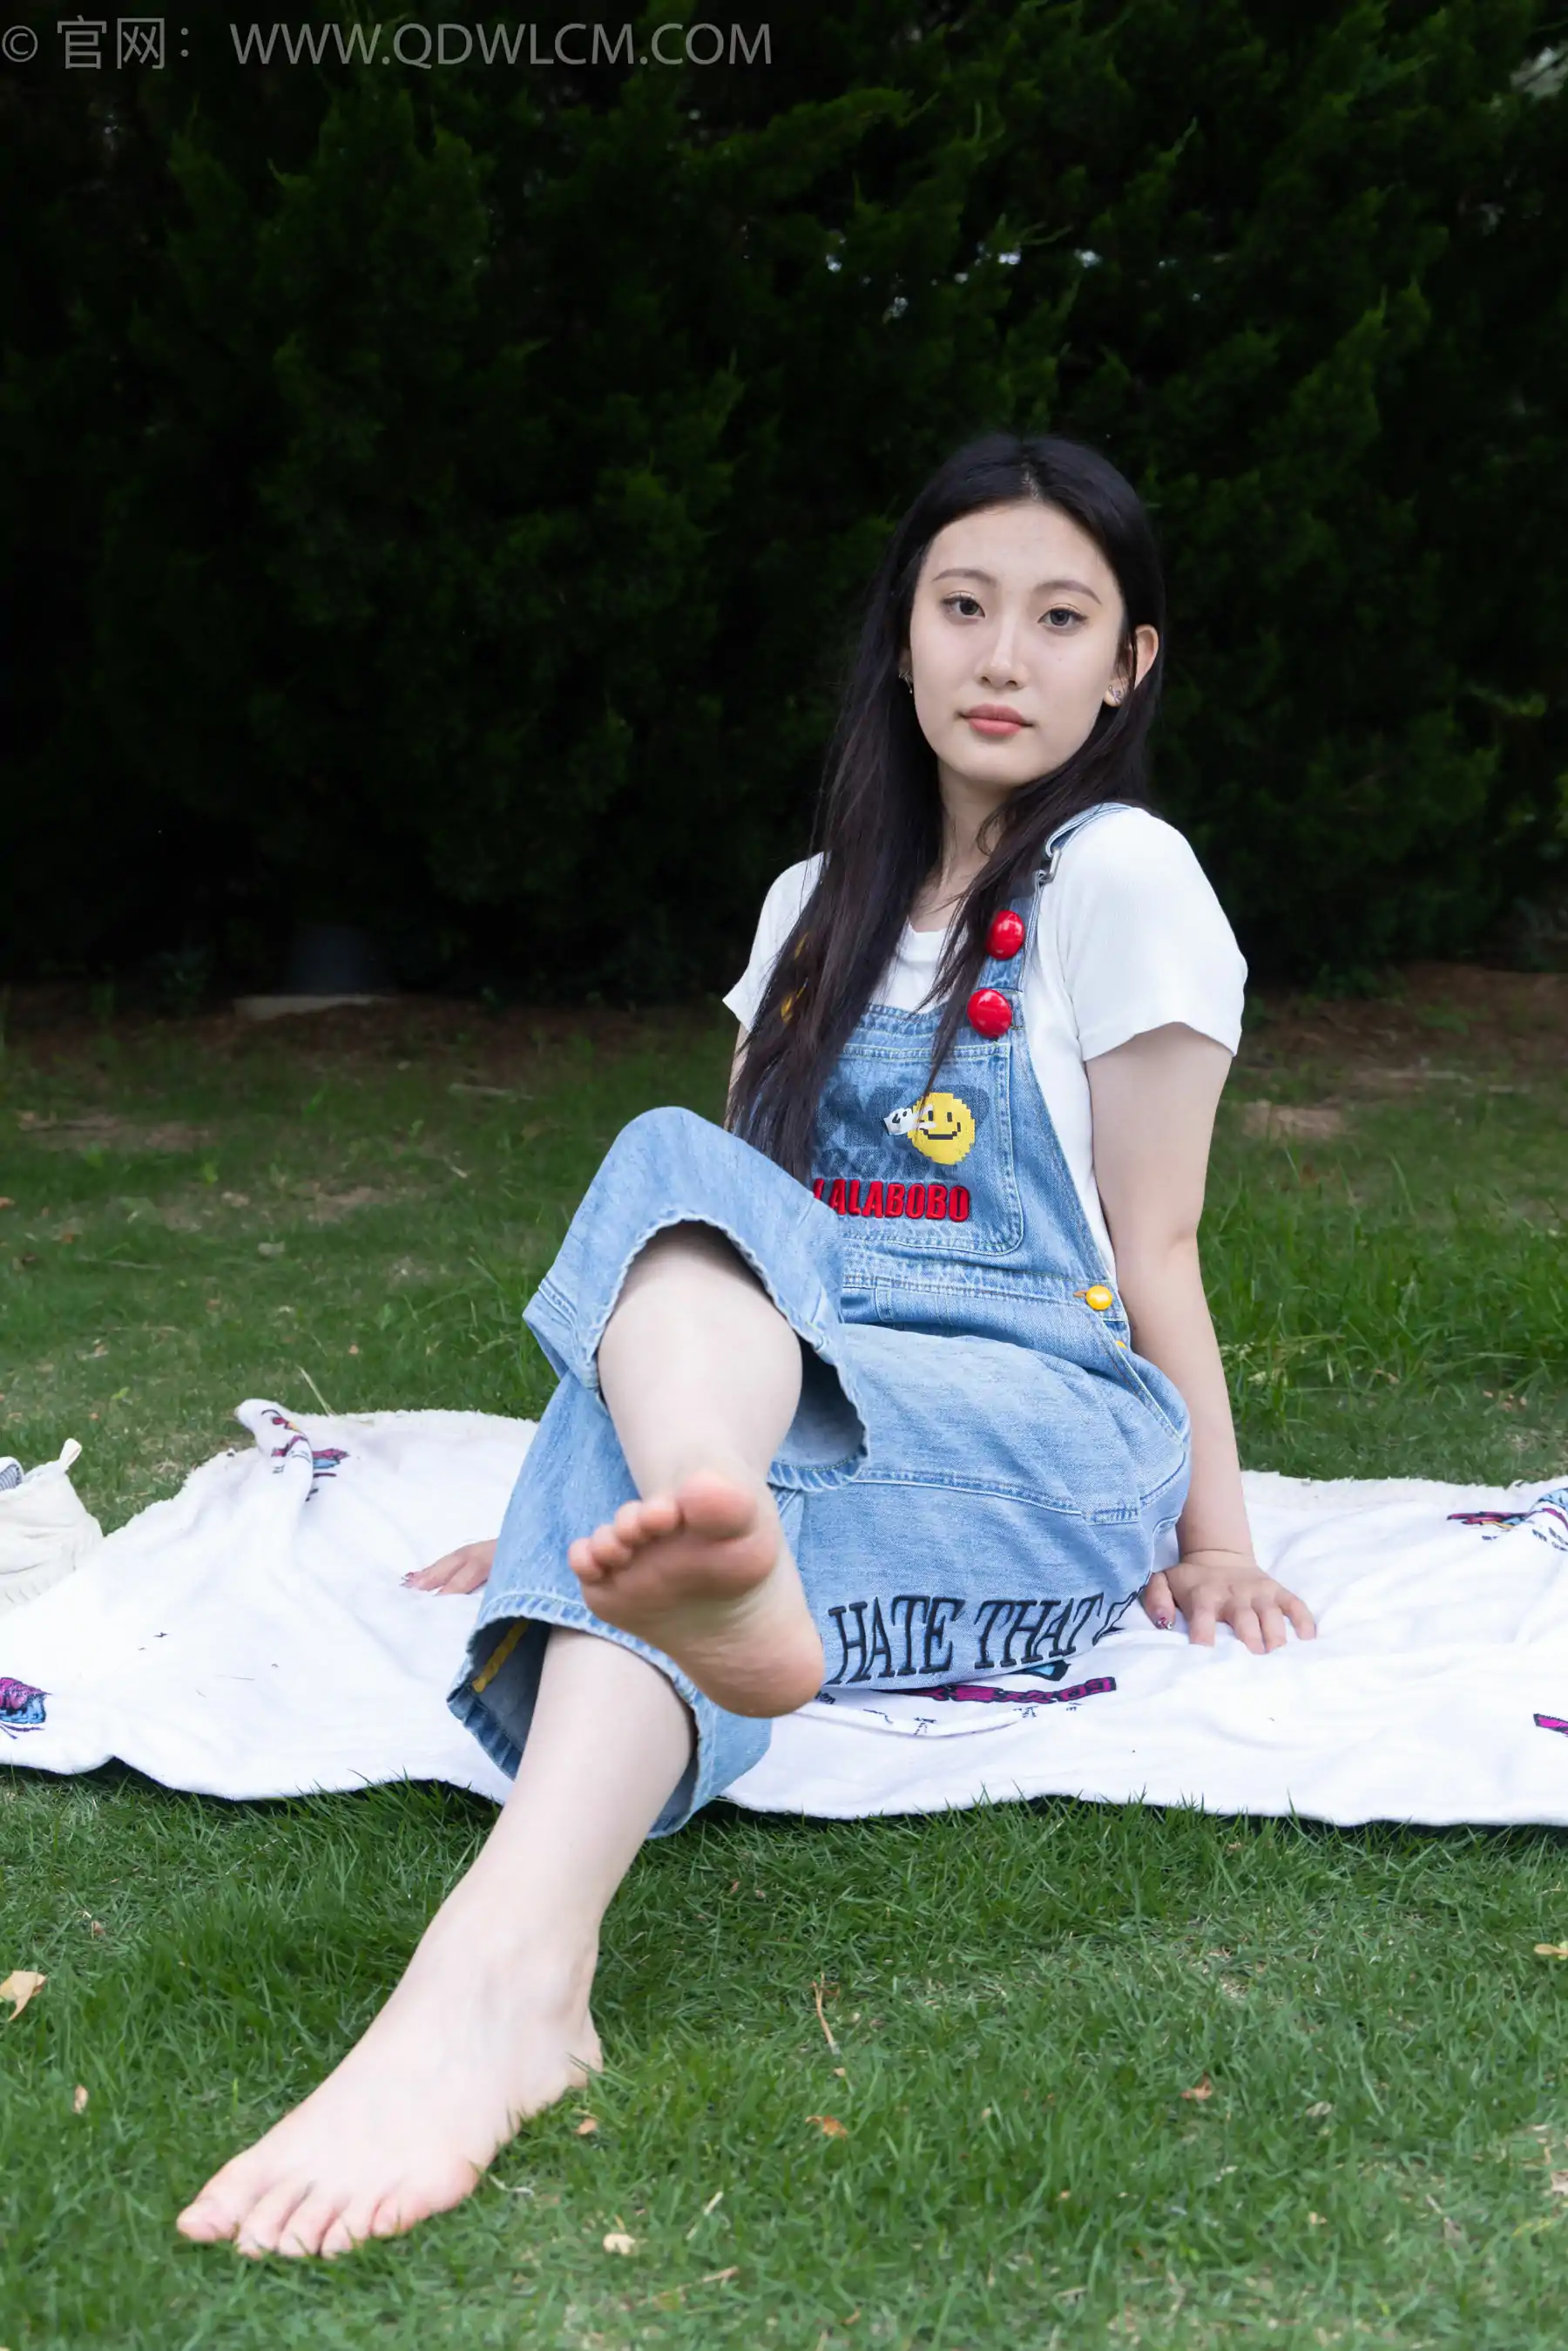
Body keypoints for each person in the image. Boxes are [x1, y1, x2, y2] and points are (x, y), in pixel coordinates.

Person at [176, 429, 1315, 2260]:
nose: (1002, 656)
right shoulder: (809, 905)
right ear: (902, 634)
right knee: (668, 1160)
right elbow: (717, 1245)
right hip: (793, 1382)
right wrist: (585, 1480)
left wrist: (1222, 1535)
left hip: (1038, 1410)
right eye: (962, 606)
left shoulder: (1127, 875)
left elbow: (1158, 1243)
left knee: (699, 1353)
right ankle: (690, 1567)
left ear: (1130, 663)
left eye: (1059, 618)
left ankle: (504, 1954)